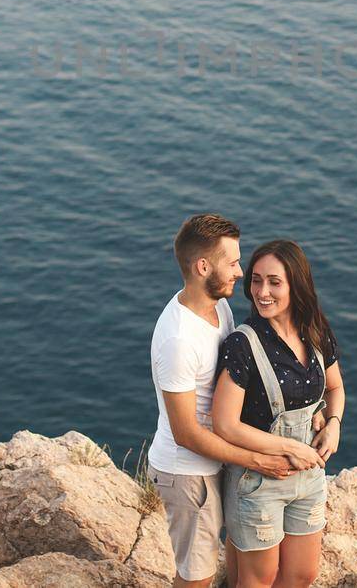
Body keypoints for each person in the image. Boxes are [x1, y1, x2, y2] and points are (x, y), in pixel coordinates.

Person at [149, 215, 307, 588]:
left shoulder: (219, 307)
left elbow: (242, 377)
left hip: (220, 458)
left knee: (237, 550)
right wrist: (258, 460)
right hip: (188, 472)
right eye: (232, 262)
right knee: (197, 577)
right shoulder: (178, 339)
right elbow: (185, 433)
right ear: (203, 267)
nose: (241, 272)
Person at [212, 240, 345, 588]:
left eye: (274, 282)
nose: (262, 292)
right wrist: (289, 448)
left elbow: (335, 388)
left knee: (302, 576)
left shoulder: (315, 332)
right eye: (256, 281)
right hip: (258, 482)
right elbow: (224, 424)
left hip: (310, 478)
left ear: (296, 285)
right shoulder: (243, 344)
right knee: (258, 580)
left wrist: (333, 423)